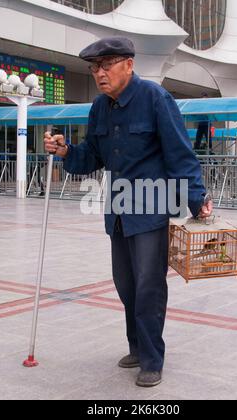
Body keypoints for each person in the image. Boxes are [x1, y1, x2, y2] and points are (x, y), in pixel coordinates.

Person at [44, 37, 213, 387]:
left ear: (129, 65)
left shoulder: (155, 99)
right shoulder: (99, 108)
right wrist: (65, 152)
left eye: (107, 65)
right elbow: (92, 155)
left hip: (152, 209)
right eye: (94, 68)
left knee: (149, 286)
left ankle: (152, 359)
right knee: (126, 285)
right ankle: (136, 347)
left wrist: (198, 199)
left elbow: (180, 154)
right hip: (118, 210)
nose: (99, 73)